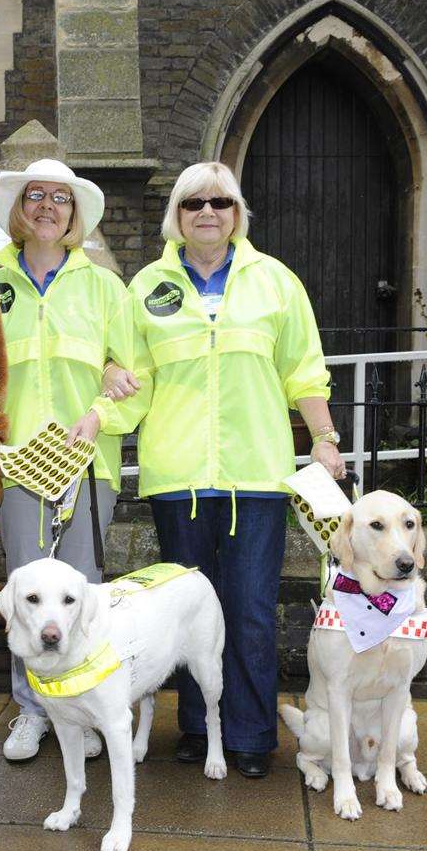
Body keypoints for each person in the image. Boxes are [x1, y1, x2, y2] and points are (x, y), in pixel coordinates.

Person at [89, 161, 346, 779]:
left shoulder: (275, 282)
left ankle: (253, 734)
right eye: (193, 203)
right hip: (178, 479)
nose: (208, 212)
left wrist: (326, 437)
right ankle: (200, 729)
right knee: (185, 617)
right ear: (176, 216)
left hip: (255, 477)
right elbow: (131, 375)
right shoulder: (145, 287)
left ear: (238, 213)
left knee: (252, 609)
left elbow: (302, 370)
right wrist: (100, 402)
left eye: (220, 202)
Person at [0, 158, 133, 763]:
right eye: (36, 196)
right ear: (19, 210)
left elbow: (137, 377)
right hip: (18, 464)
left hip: (86, 464)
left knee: (83, 595)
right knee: (29, 595)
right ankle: (32, 712)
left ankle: (81, 715)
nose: (48, 208)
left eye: (61, 198)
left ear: (75, 214)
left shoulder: (105, 286)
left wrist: (101, 419)